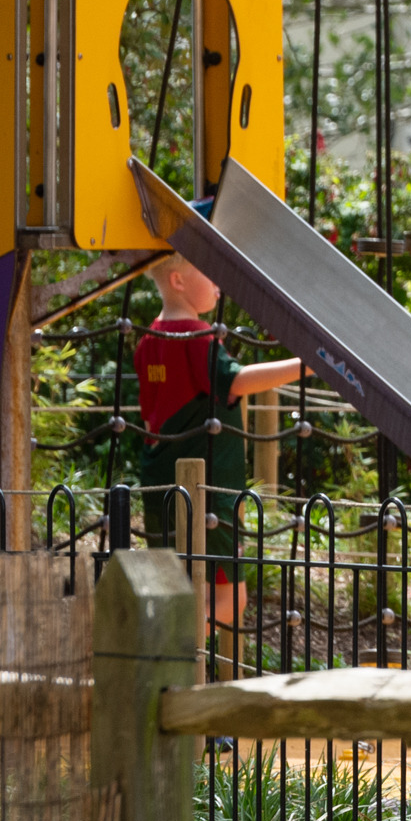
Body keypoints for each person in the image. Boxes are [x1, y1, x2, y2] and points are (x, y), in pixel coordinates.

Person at [127, 252, 308, 591]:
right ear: (178, 281)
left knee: (178, 586)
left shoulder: (149, 338)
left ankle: (173, 639)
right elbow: (235, 381)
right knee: (227, 598)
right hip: (207, 491)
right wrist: (308, 364)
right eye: (209, 272)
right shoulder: (194, 337)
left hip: (161, 480)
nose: (218, 284)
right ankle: (178, 645)